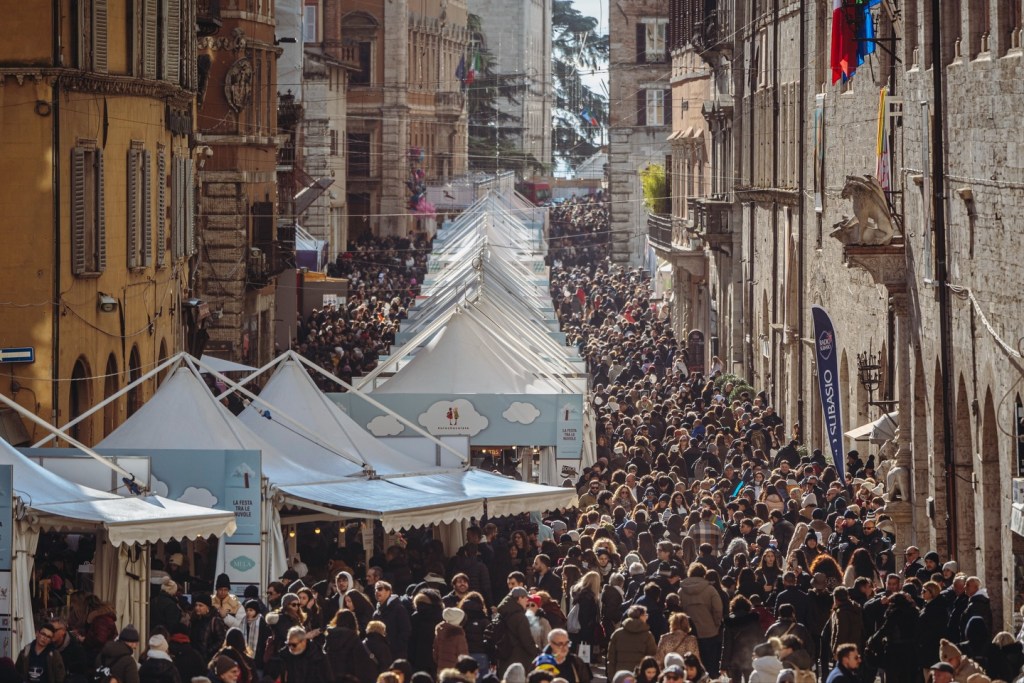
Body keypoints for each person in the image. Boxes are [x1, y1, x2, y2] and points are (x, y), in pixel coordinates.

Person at [677, 564, 723, 676]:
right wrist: (716, 625)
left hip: (688, 632)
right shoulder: (710, 590)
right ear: (704, 574)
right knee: (711, 664)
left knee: (691, 664)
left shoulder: (681, 591)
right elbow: (718, 609)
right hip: (709, 632)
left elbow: (679, 611)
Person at [323, 609, 377, 683]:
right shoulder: (354, 638)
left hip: (332, 675)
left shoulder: (330, 636)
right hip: (349, 677)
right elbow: (359, 661)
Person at [720, 595, 764, 683]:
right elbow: (760, 640)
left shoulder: (729, 621)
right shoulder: (754, 619)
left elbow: (727, 645)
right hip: (750, 657)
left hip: (734, 659)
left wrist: (723, 666)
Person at [495, 587, 539, 673]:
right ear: (519, 598)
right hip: (518, 660)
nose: (527, 600)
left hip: (503, 658)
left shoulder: (501, 614)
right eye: (525, 598)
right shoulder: (520, 617)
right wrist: (536, 652)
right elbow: (526, 640)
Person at [606, 605, 657, 677]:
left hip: (620, 675)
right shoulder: (648, 635)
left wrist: (612, 676)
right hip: (639, 676)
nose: (646, 617)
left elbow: (611, 658)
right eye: (645, 615)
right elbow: (652, 657)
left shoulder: (617, 634)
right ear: (641, 616)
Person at [372, 582, 412, 661]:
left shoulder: (399, 609)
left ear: (388, 591)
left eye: (380, 589)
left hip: (396, 655)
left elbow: (406, 631)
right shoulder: (376, 613)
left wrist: (395, 647)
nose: (377, 591)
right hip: (381, 655)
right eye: (375, 589)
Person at [191, 594, 229, 661]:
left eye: (200, 605)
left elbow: (221, 640)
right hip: (196, 658)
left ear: (207, 607)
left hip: (209, 659)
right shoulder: (194, 619)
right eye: (196, 605)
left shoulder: (215, 620)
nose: (197, 608)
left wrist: (208, 651)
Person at [434, 608, 469, 673]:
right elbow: (463, 656)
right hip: (455, 671)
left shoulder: (440, 631)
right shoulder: (458, 634)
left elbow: (435, 653)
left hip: (441, 669)